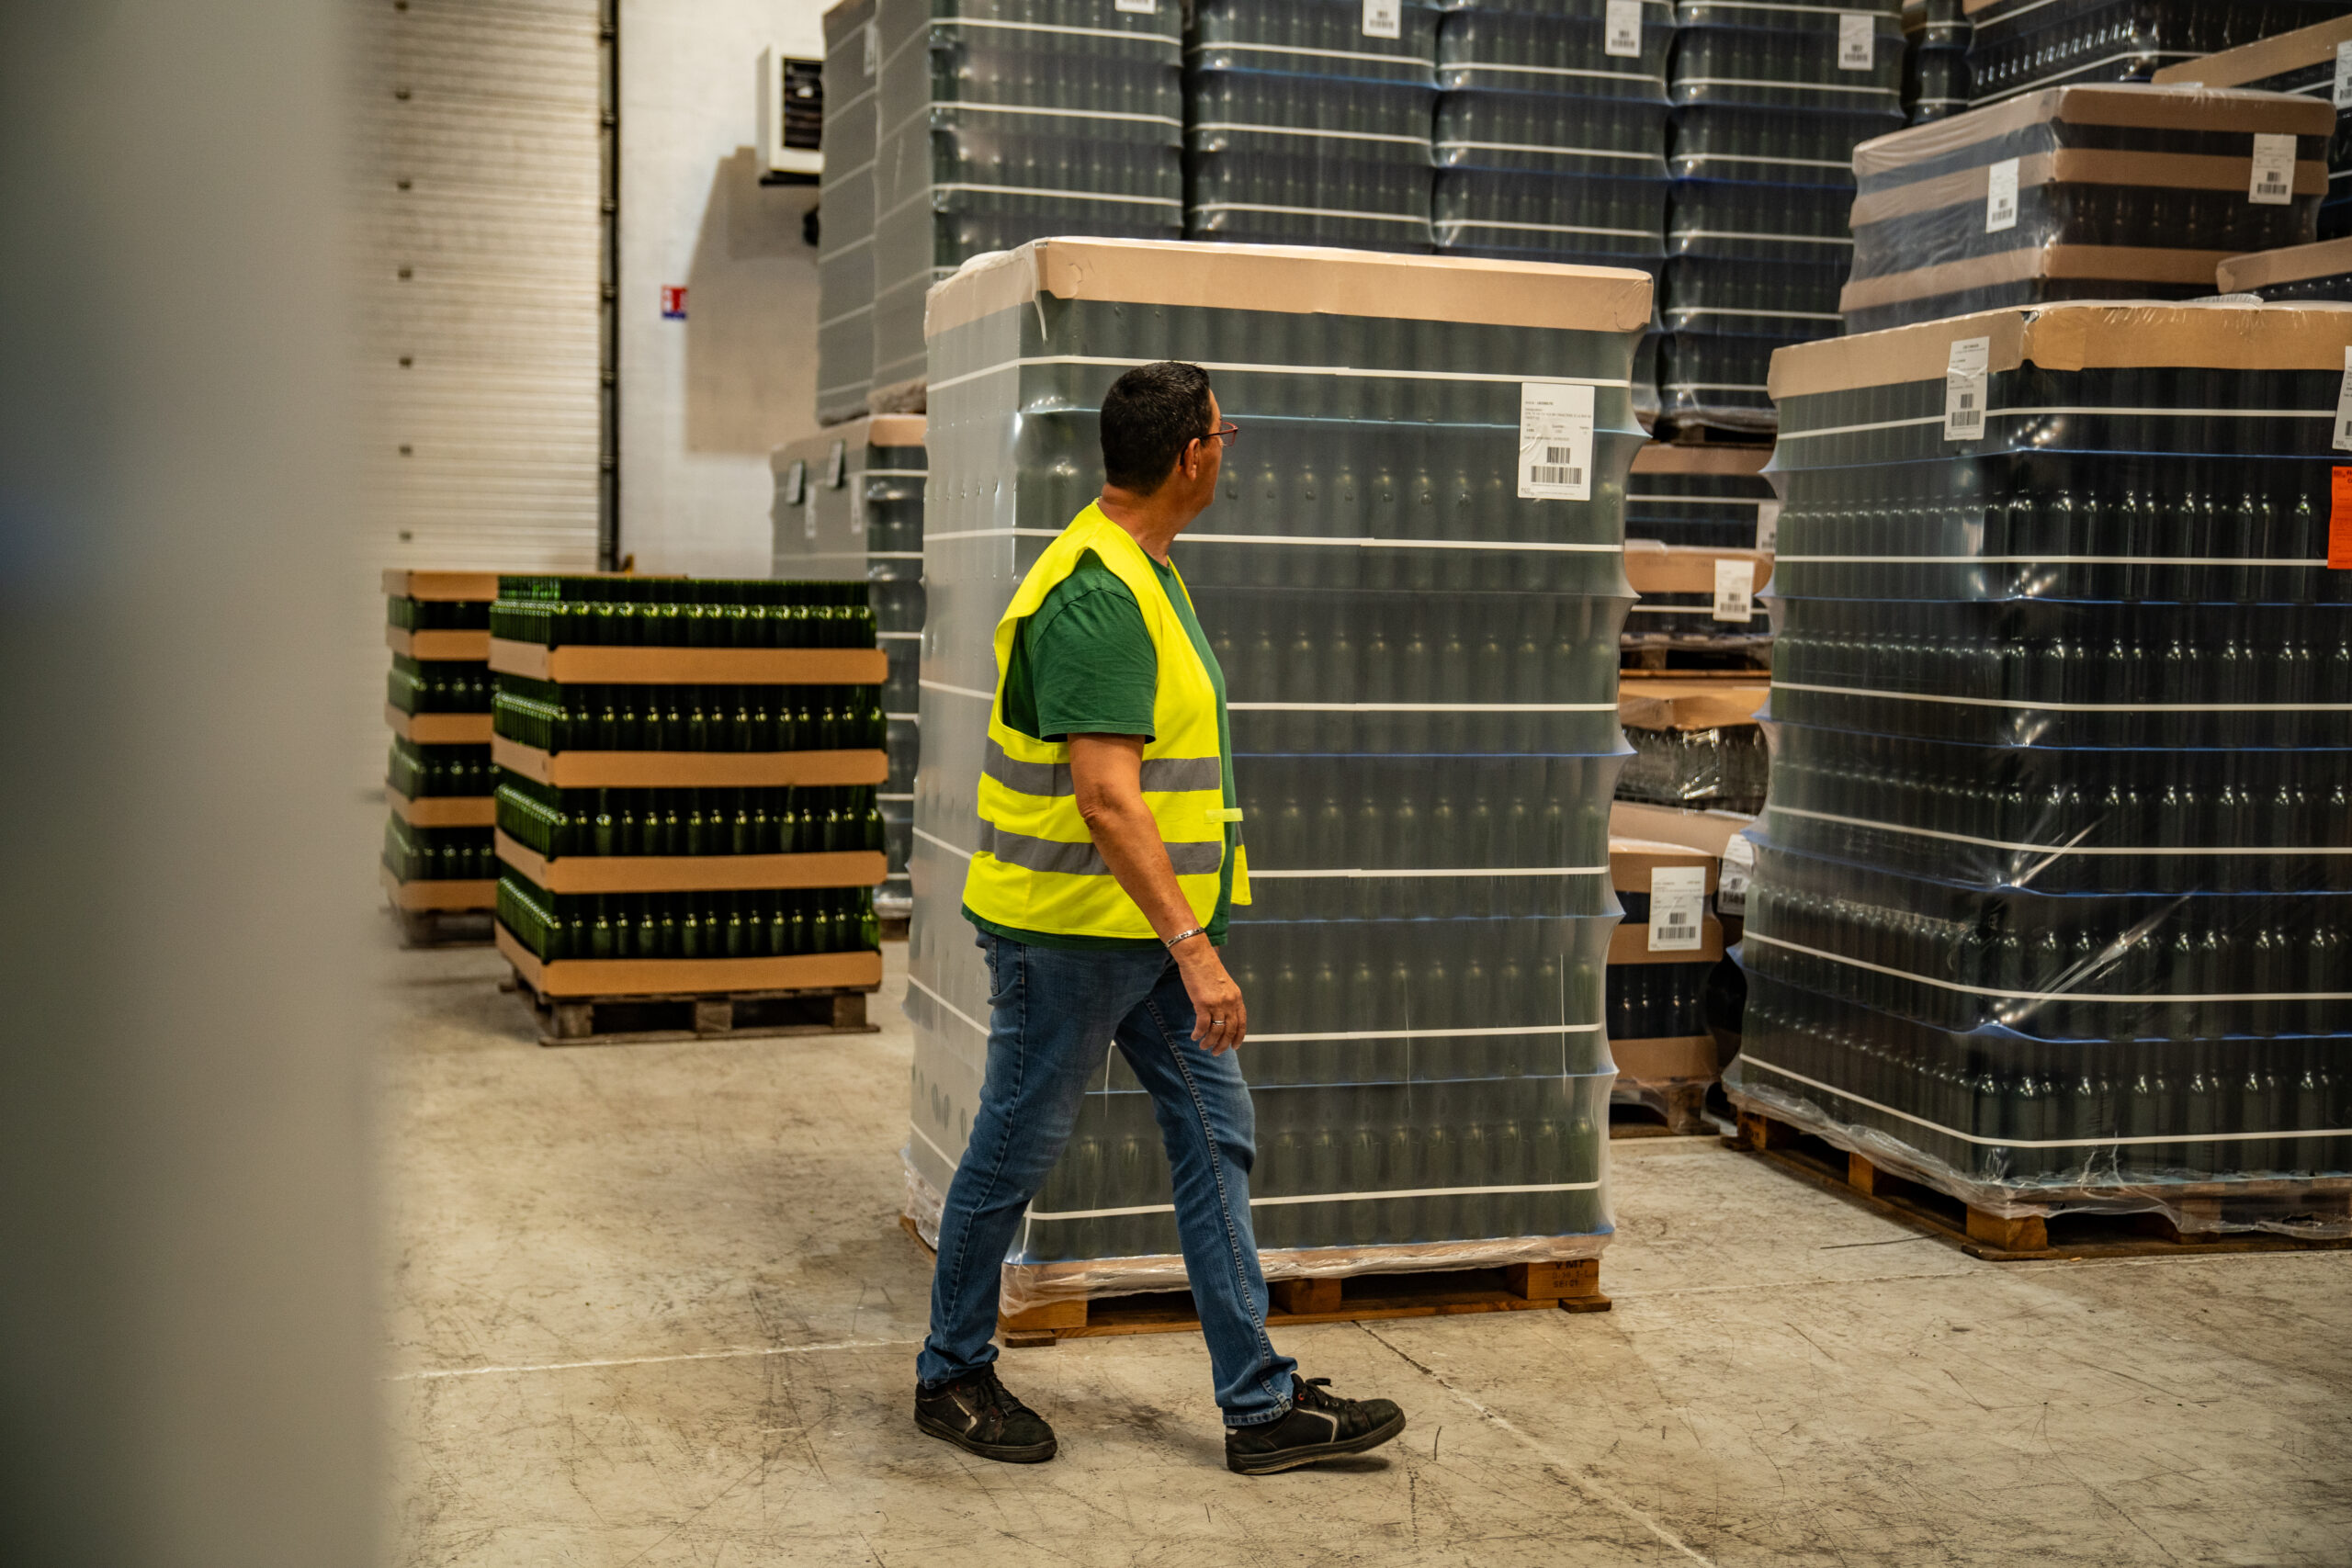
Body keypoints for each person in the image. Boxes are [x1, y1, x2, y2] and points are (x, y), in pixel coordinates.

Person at [912, 361, 1406, 1475]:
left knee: (1214, 1136)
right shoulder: (1096, 593)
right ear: (1192, 456)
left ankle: (1259, 1405)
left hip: (1140, 935)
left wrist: (1180, 940)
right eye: (1224, 435)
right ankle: (950, 1372)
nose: (1228, 450)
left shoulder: (1147, 568)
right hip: (1069, 936)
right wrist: (1195, 949)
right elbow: (1104, 798)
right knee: (1016, 1149)